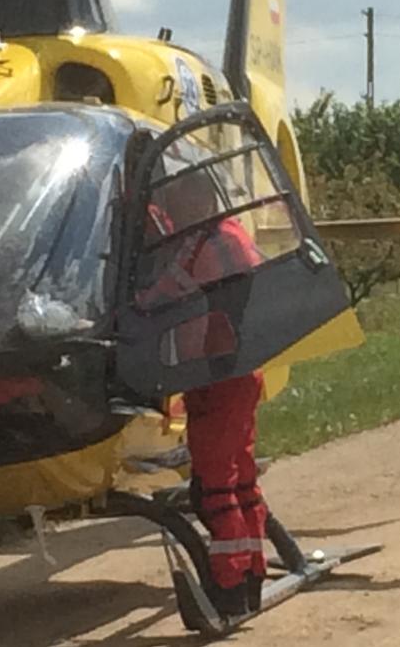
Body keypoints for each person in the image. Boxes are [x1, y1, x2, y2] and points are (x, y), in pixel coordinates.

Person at [140, 170, 269, 617]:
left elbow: (166, 292)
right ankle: (252, 574)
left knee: (213, 489)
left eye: (177, 205)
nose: (172, 215)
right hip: (240, 373)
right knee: (242, 479)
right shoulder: (231, 234)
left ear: (196, 203)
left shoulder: (207, 245)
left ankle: (229, 586)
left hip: (217, 376)